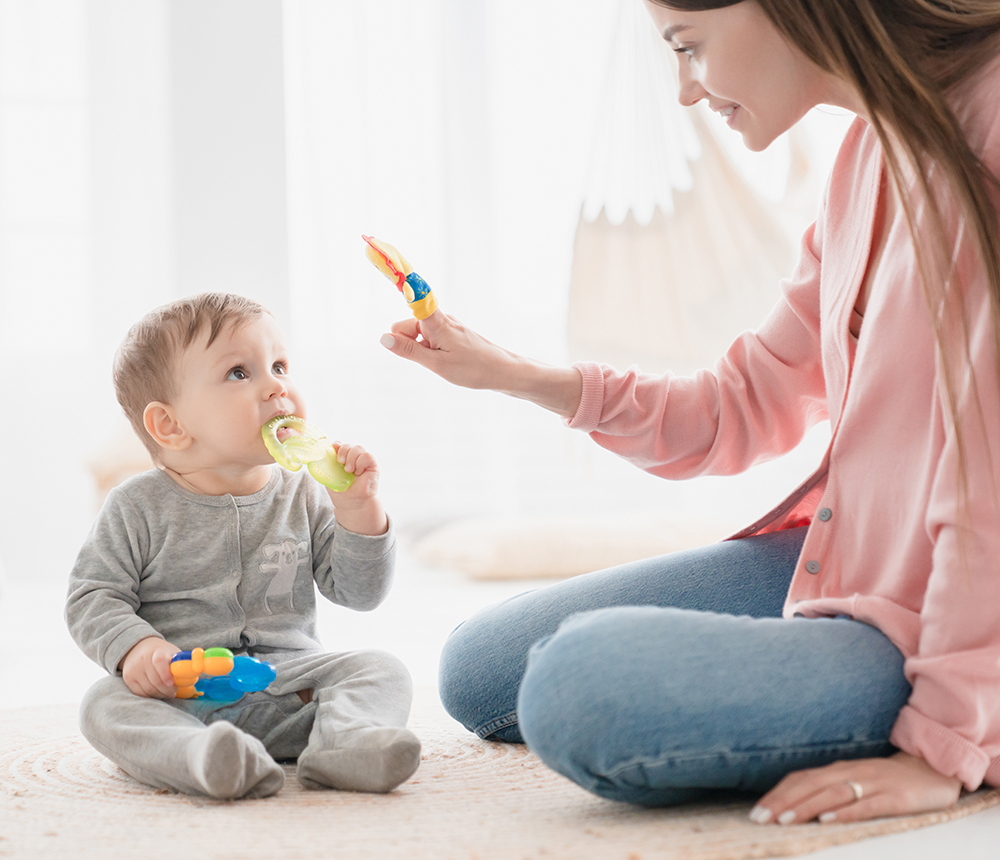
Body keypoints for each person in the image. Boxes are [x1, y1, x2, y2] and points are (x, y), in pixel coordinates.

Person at [377, 0, 1000, 826]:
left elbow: (987, 474)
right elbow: (740, 406)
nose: (685, 89)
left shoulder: (984, 127)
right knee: (482, 665)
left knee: (582, 688)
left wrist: (946, 743)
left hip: (966, 604)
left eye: (688, 46)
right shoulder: (868, 157)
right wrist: (517, 376)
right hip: (869, 569)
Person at [66, 293, 420, 799]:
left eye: (279, 365)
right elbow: (92, 596)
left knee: (381, 668)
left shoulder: (303, 492)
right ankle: (204, 758)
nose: (277, 385)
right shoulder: (136, 506)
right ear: (171, 425)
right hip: (183, 691)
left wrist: (358, 511)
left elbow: (360, 594)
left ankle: (346, 745)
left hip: (291, 687)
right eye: (239, 372)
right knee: (103, 705)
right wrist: (138, 650)